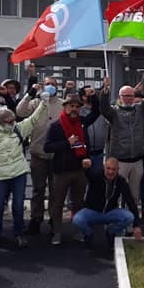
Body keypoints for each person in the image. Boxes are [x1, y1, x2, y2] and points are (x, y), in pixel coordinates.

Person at [0, 96, 49, 248]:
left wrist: (44, 103)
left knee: (18, 206)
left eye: (13, 119)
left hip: (18, 173)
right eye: (10, 121)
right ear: (1, 122)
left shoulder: (18, 128)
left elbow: (33, 119)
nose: (14, 122)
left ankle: (19, 234)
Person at [100, 69, 144, 217]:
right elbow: (103, 108)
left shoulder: (140, 109)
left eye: (131, 95)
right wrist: (105, 91)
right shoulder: (113, 112)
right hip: (119, 161)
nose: (128, 98)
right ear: (120, 97)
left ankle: (130, 222)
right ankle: (112, 220)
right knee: (114, 194)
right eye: (125, 96)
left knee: (133, 195)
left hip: (137, 161)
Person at [44, 94, 100, 245]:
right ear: (65, 107)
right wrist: (66, 143)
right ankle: (57, 233)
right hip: (61, 172)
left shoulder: (81, 123)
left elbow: (96, 113)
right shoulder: (56, 126)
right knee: (58, 203)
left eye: (77, 106)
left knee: (79, 203)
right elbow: (47, 147)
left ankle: (79, 230)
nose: (74, 109)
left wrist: (94, 95)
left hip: (79, 170)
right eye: (71, 106)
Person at [16, 74, 63, 236]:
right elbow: (20, 111)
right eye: (48, 83)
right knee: (38, 189)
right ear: (43, 86)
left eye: (53, 84)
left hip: (57, 155)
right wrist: (30, 92)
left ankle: (54, 219)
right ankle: (36, 218)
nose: (51, 86)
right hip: (38, 153)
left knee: (56, 190)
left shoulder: (62, 105)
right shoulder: (35, 103)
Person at [72, 157, 143, 245]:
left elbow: (130, 201)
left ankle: (111, 231)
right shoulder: (96, 175)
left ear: (118, 170)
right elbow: (88, 173)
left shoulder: (121, 181)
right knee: (77, 220)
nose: (110, 172)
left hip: (110, 212)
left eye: (114, 169)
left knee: (129, 217)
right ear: (104, 167)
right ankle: (88, 234)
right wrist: (85, 167)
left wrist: (136, 226)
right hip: (92, 211)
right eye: (108, 168)